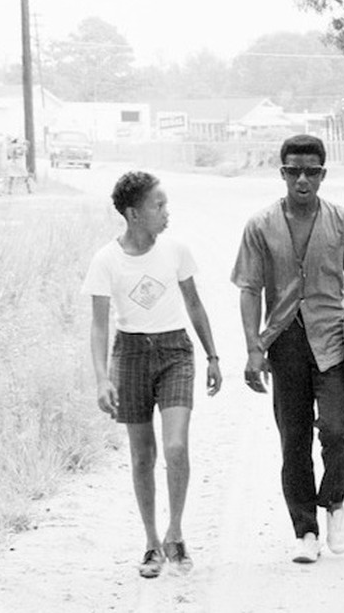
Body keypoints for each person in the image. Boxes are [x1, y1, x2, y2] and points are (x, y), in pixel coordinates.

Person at [232, 134, 344, 563]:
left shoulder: (343, 221)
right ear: (281, 174)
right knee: (292, 438)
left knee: (336, 429)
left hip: (332, 338)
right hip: (285, 342)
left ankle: (333, 503)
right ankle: (305, 530)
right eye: (293, 171)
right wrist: (253, 349)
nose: (302, 180)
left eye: (310, 172)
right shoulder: (260, 225)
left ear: (322, 175)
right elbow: (248, 289)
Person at [82, 171, 223, 578]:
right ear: (133, 214)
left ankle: (175, 534)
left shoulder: (176, 250)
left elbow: (195, 305)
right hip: (130, 355)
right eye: (157, 206)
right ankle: (151, 543)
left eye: (166, 204)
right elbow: (98, 325)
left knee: (176, 446)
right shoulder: (106, 260)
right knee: (143, 454)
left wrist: (212, 355)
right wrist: (101, 378)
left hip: (175, 351)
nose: (166, 213)